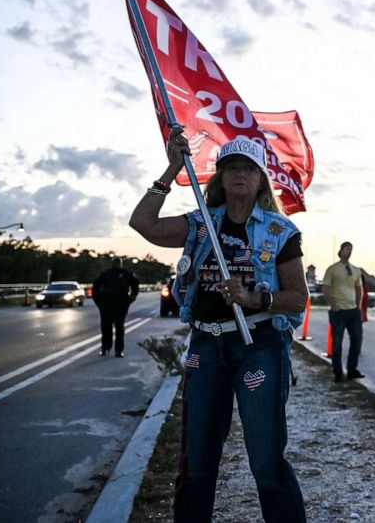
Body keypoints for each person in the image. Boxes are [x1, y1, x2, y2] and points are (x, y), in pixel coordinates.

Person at [129, 129, 308, 523]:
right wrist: (172, 167)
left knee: (266, 463)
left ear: (261, 179)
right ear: (219, 179)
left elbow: (298, 297)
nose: (240, 175)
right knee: (196, 461)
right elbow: (142, 223)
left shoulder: (280, 232)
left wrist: (254, 298)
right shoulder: (200, 224)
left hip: (259, 345)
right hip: (205, 348)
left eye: (249, 168)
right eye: (231, 169)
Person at [321, 241, 365, 382]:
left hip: (353, 311)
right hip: (338, 312)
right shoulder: (332, 269)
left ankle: (352, 370)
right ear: (341, 250)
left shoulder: (355, 270)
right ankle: (338, 372)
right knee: (337, 343)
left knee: (357, 341)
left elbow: (359, 288)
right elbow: (326, 287)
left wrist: (358, 305)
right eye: (347, 249)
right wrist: (333, 305)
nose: (349, 251)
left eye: (351, 249)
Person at [91, 257, 139, 357]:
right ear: (112, 263)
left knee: (119, 328)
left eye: (118, 262)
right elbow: (95, 287)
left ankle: (119, 350)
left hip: (121, 305)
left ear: (121, 264)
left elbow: (135, 286)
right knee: (106, 328)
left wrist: (129, 299)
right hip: (106, 305)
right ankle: (105, 348)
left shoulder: (126, 274)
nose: (116, 264)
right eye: (115, 262)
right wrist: (99, 301)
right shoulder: (105, 274)